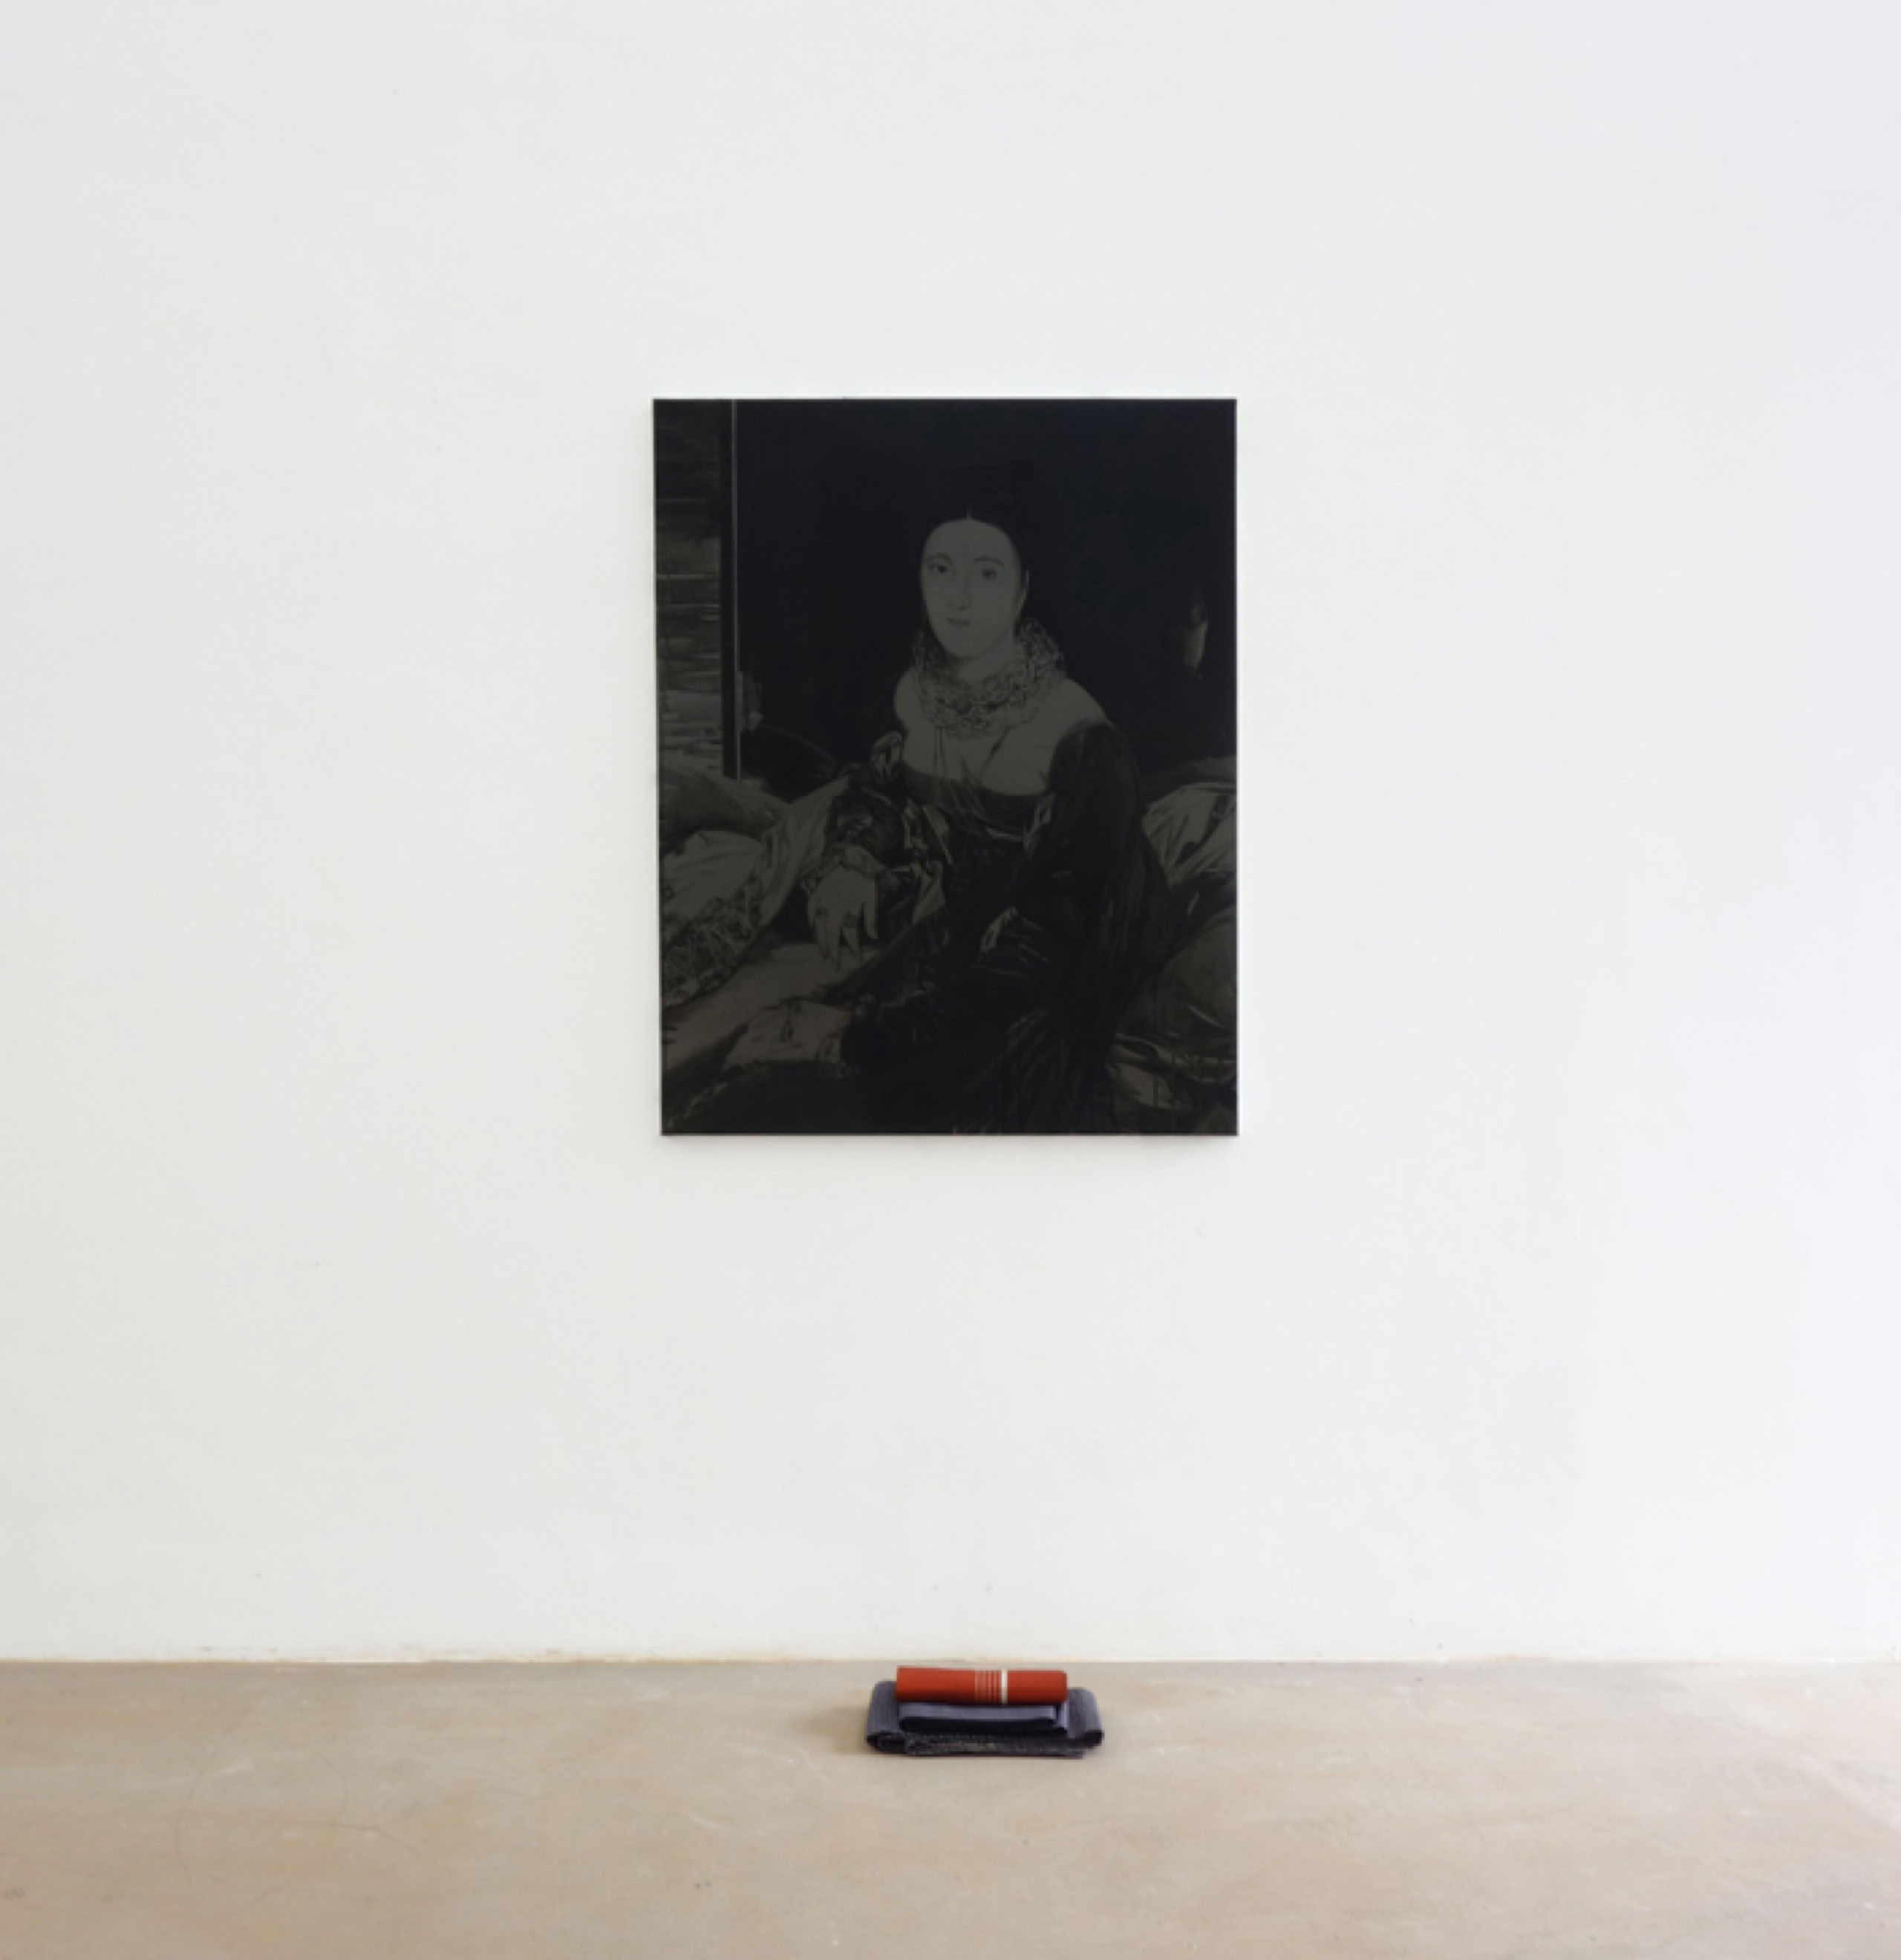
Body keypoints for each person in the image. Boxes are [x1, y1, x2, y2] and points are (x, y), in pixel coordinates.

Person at [660, 494, 1175, 1133]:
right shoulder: (917, 694)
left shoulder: (1079, 739)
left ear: (1023, 590)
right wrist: (854, 859)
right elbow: (881, 790)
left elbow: (1043, 954)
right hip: (923, 930)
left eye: (987, 573)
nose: (960, 597)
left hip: (1004, 994)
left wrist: (862, 1039)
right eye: (940, 569)